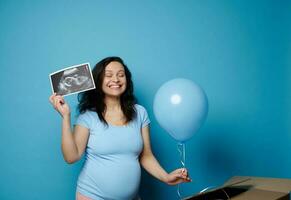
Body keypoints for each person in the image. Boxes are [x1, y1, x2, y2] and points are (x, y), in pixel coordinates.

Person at [49, 56, 191, 200]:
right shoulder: (88, 117)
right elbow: (71, 157)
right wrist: (66, 116)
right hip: (92, 196)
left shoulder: (140, 112)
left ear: (127, 80)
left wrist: (166, 177)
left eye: (121, 75)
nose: (116, 79)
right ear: (98, 81)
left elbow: (146, 156)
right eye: (108, 75)